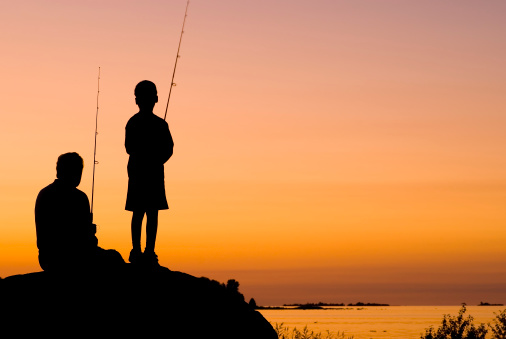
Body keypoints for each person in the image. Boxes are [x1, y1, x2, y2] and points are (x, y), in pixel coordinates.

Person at [35, 152, 124, 272]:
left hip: (47, 258)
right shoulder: (80, 197)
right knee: (114, 257)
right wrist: (90, 233)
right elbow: (82, 240)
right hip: (72, 257)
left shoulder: (44, 194)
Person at [125, 80, 174, 265]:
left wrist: (156, 158)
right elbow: (168, 149)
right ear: (156, 99)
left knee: (144, 212)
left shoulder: (135, 122)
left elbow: (130, 147)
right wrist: (156, 158)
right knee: (147, 212)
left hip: (143, 171)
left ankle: (143, 251)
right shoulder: (159, 124)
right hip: (146, 172)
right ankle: (144, 251)